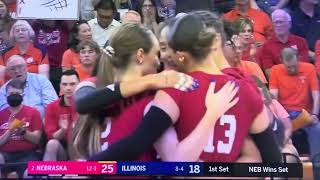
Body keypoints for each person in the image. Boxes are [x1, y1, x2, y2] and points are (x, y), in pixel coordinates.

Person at [87, 14, 281, 163]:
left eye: (166, 48)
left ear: (179, 53)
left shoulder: (176, 88)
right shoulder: (247, 90)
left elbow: (137, 143)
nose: (164, 56)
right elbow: (273, 160)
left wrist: (86, 166)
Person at [71, 23, 201, 160]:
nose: (159, 61)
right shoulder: (94, 85)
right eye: (156, 53)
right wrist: (149, 81)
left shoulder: (155, 93)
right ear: (140, 55)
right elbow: (82, 103)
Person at [269, 47, 320, 157]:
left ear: (298, 59)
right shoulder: (275, 70)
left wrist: (315, 114)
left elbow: (316, 95)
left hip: (305, 114)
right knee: (274, 130)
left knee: (317, 128)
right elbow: (273, 98)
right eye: (288, 67)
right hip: (285, 114)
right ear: (282, 62)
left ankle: (317, 164)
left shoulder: (309, 68)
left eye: (294, 66)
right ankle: (280, 163)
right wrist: (277, 118)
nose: (292, 69)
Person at [0, 78, 43, 178]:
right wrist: (9, 131)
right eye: (11, 93)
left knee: (28, 174)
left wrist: (23, 131)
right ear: (6, 95)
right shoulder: (1, 114)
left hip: (28, 155)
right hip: (5, 154)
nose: (14, 95)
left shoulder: (33, 112)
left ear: (23, 94)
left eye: (17, 93)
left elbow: (37, 140)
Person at [257, 9, 310, 77]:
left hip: (300, 79)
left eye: (281, 22)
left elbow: (305, 66)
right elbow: (269, 71)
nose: (278, 25)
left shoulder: (301, 42)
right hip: (280, 82)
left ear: (289, 24)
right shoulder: (267, 46)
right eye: (276, 22)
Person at [43, 69, 79, 161]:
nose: (68, 88)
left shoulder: (86, 104)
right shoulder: (52, 107)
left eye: (72, 84)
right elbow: (51, 136)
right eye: (65, 84)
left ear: (79, 85)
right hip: (61, 149)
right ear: (60, 86)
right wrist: (63, 130)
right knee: (52, 144)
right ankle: (51, 174)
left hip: (81, 147)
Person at [32, 20, 70, 94]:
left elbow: (73, 18)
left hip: (59, 68)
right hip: (40, 66)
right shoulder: (36, 25)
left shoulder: (63, 25)